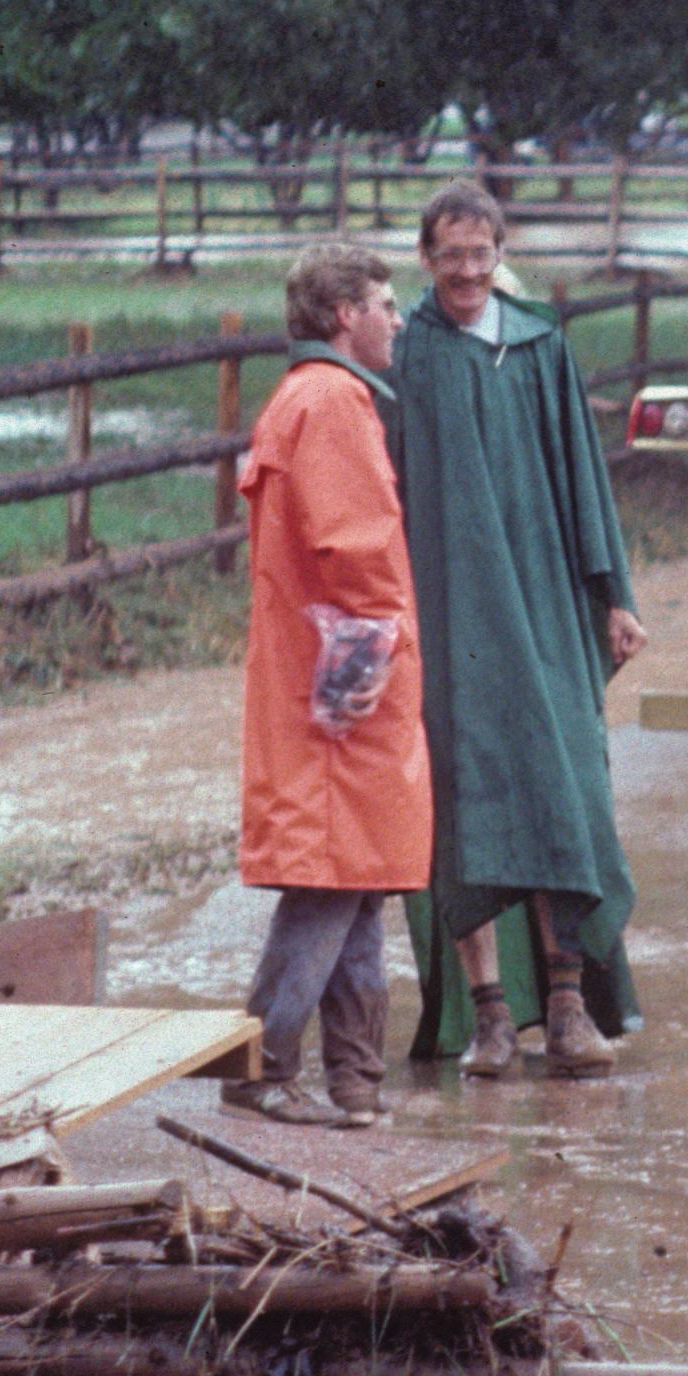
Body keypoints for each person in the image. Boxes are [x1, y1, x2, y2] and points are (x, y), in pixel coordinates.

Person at [387, 177, 647, 1077]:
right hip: (450, 608)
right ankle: (492, 1015)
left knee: (562, 786)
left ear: (503, 255)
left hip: (541, 602)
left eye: (480, 252)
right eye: (449, 254)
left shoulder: (539, 348)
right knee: (465, 804)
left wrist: (615, 595)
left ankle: (571, 1007)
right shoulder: (407, 355)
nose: (465, 270)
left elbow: (583, 477)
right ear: (427, 259)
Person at [225, 244, 421, 1127]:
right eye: (385, 303)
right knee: (334, 875)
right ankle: (263, 1067)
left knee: (355, 872)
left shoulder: (298, 398)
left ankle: (355, 1084)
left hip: (316, 674)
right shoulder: (336, 401)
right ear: (345, 314)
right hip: (344, 687)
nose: (396, 319)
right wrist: (368, 672)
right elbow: (360, 554)